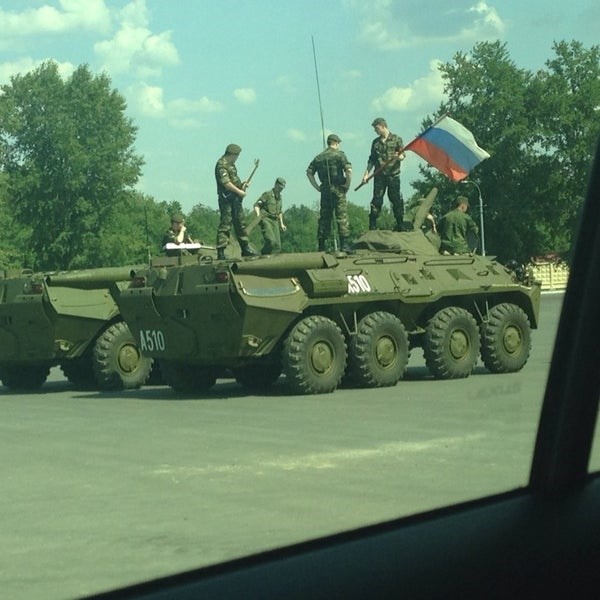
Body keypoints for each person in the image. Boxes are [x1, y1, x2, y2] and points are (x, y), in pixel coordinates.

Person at [306, 133, 352, 252]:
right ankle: (345, 245)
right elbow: (348, 170)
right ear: (336, 143)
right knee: (341, 216)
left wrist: (317, 187)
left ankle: (322, 245)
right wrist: (347, 184)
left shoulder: (319, 157)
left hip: (325, 190)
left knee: (324, 217)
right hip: (338, 189)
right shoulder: (340, 155)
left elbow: (309, 173)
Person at [361, 117, 406, 231]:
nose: (375, 131)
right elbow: (371, 160)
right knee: (377, 200)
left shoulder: (396, 139)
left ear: (382, 126)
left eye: (376, 128)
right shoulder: (375, 143)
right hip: (379, 176)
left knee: (395, 199)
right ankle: (373, 224)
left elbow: (403, 155)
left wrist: (398, 157)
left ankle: (400, 223)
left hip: (393, 175)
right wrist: (366, 174)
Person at [215, 143, 257, 260]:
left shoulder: (231, 165)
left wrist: (242, 185)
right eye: (236, 156)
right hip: (226, 199)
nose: (237, 158)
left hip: (235, 199)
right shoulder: (221, 165)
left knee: (240, 223)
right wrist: (239, 192)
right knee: (226, 224)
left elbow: (233, 181)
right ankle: (221, 251)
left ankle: (245, 248)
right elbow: (226, 183)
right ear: (232, 154)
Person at [253, 177, 287, 254]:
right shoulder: (267, 195)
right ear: (276, 185)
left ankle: (273, 262)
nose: (281, 189)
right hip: (266, 219)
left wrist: (281, 224)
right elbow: (256, 205)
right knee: (271, 241)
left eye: (282, 188)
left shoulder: (279, 197)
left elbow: (280, 212)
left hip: (275, 221)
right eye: (279, 187)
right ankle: (262, 254)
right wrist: (259, 216)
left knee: (278, 246)